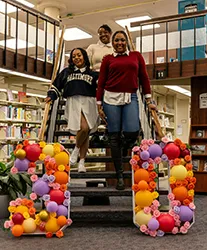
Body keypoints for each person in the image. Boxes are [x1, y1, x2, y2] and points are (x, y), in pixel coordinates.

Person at [96, 30, 155, 190]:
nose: (119, 43)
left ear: (126, 41)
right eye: (116, 41)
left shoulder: (136, 56)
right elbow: (101, 82)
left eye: (122, 40)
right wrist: (99, 103)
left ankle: (122, 148)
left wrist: (149, 99)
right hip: (110, 98)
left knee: (132, 130)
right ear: (112, 43)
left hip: (131, 96)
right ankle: (120, 175)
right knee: (114, 135)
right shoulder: (108, 59)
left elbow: (143, 77)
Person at [46, 48, 99, 173]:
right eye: (74, 56)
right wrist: (51, 96)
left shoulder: (94, 74)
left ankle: (81, 161)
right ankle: (76, 152)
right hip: (73, 102)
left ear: (84, 57)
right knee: (84, 128)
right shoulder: (66, 73)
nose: (76, 58)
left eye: (79, 55)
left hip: (89, 103)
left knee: (85, 132)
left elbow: (102, 88)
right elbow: (56, 86)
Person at [87, 24, 113, 145]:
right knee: (94, 104)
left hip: (110, 79)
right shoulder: (92, 47)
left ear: (110, 33)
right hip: (95, 78)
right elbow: (86, 64)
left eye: (105, 32)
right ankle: (94, 132)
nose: (103, 34)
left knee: (108, 104)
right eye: (100, 32)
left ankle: (108, 130)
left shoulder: (114, 48)